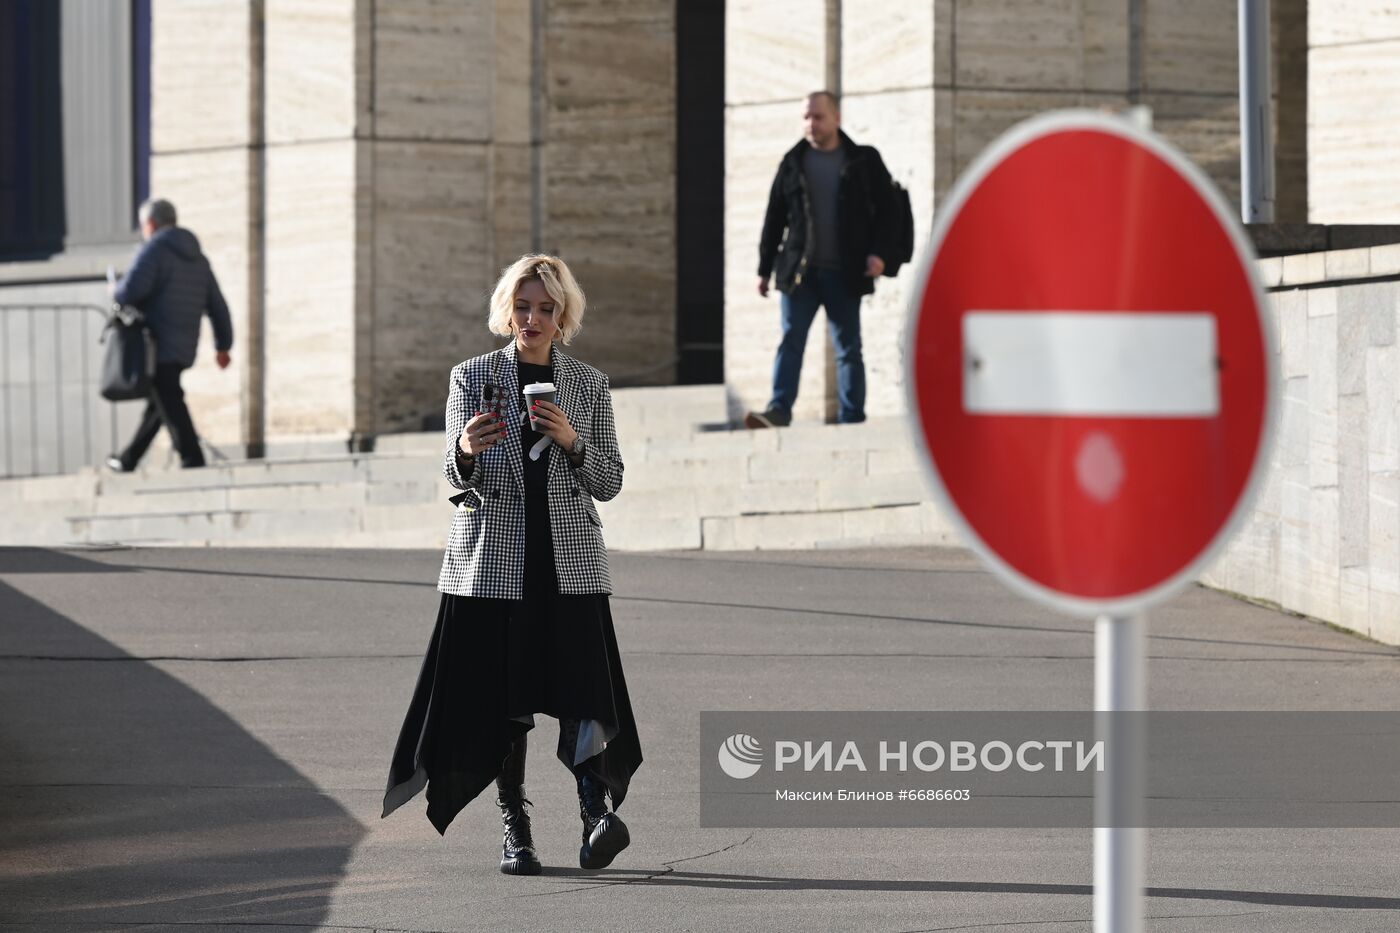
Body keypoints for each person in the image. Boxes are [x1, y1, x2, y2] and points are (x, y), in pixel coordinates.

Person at [382, 253, 642, 877]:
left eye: (546, 309)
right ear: (507, 311)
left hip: (569, 567)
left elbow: (608, 482)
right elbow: (452, 477)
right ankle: (515, 831)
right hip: (492, 570)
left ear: (563, 316)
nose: (533, 318)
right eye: (523, 307)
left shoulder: (588, 385)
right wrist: (466, 449)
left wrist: (573, 442)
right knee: (507, 702)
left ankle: (594, 817)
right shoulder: (472, 377)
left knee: (583, 691)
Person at [747, 90, 895, 429]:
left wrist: (880, 254)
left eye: (818, 117)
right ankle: (779, 410)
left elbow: (888, 212)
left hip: (846, 272)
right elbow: (775, 218)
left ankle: (852, 417)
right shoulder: (792, 161)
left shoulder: (863, 160)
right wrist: (764, 270)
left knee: (848, 349)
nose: (811, 124)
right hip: (800, 273)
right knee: (791, 341)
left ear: (836, 118)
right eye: (806, 117)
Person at [105, 198, 232, 471]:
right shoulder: (198, 258)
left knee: (167, 396)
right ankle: (128, 459)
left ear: (150, 224)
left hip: (155, 342)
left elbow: (129, 292)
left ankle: (191, 457)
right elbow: (217, 305)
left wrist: (114, 289)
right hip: (186, 341)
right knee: (161, 399)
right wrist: (224, 345)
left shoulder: (154, 250)